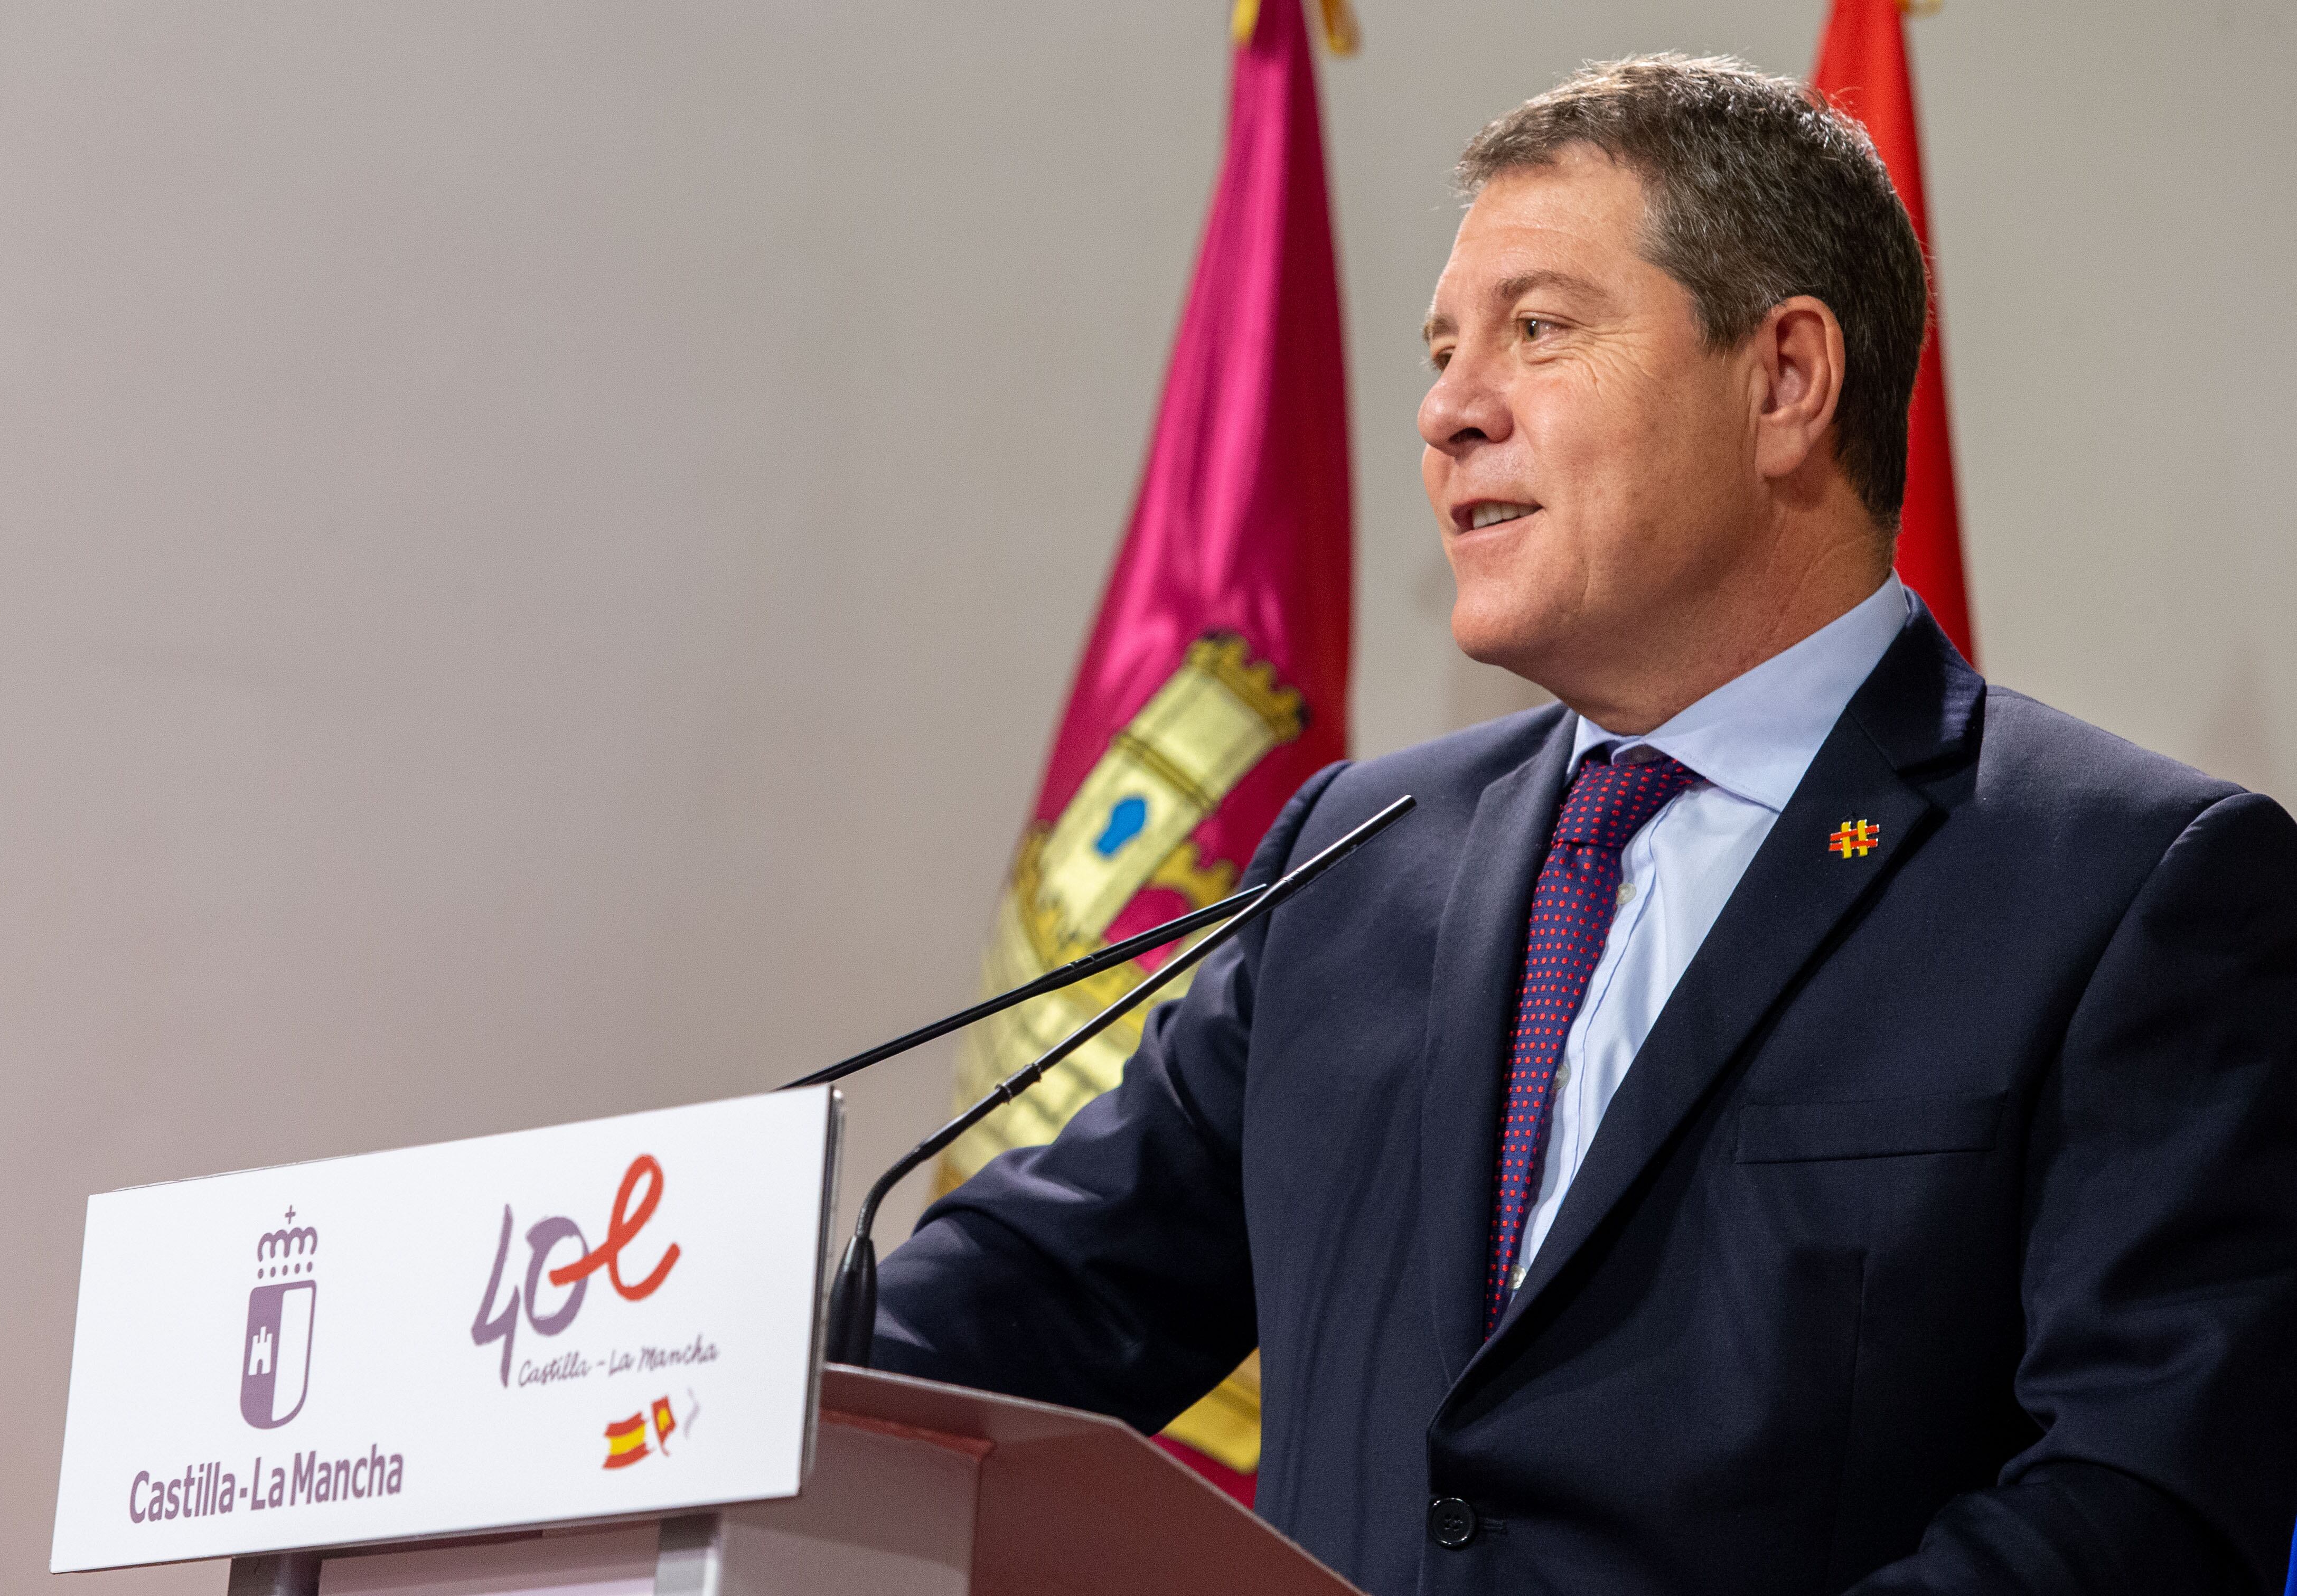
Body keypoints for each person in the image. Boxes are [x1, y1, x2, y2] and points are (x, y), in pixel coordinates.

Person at [873, 54, 2297, 1596]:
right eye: (1440, 353)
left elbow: (2139, 1504)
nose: (1447, 411)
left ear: (1785, 382)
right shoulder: (1354, 857)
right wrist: (665, 1371)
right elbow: (1034, 1305)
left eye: (1536, 331)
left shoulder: (2124, 886)